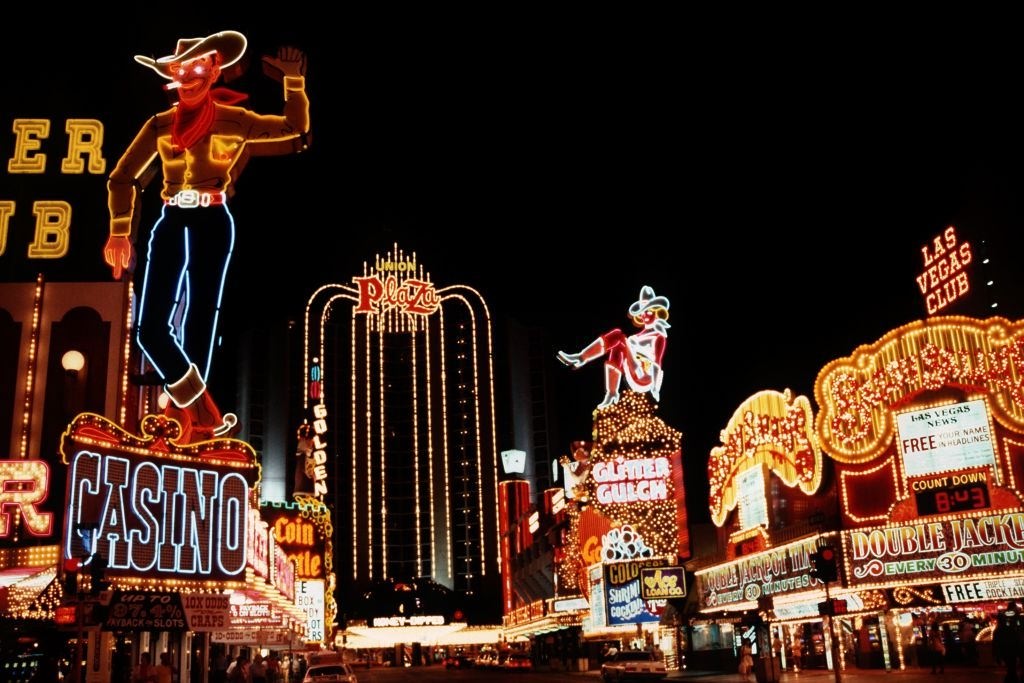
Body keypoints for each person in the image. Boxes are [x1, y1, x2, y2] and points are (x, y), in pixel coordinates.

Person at [104, 30, 310, 444]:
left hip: (213, 218)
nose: (189, 74)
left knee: (201, 319)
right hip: (169, 218)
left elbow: (295, 131)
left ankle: (195, 424)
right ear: (172, 76)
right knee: (149, 329)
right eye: (181, 68)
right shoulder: (159, 125)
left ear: (215, 69)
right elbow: (123, 176)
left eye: (198, 65)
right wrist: (120, 231)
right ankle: (201, 407)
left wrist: (294, 82)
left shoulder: (235, 119)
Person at [557, 285, 670, 408]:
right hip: (633, 369)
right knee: (617, 348)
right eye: (643, 312)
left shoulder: (659, 336)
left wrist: (655, 389)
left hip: (644, 375)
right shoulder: (636, 337)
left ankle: (580, 358)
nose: (644, 315)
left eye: (648, 311)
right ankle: (612, 393)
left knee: (618, 336)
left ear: (657, 312)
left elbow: (657, 363)